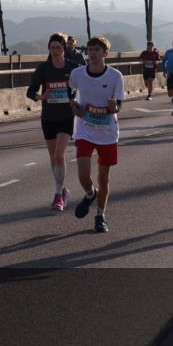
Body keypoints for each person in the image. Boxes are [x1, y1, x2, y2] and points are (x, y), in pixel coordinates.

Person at [69, 37, 125, 233]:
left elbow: (119, 104)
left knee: (104, 178)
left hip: (107, 132)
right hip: (84, 128)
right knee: (83, 175)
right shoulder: (77, 74)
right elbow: (71, 91)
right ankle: (90, 193)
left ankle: (100, 215)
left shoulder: (115, 76)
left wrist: (114, 107)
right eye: (90, 50)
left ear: (105, 54)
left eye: (97, 50)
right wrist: (74, 105)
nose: (92, 53)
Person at [27, 33, 81, 211]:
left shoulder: (74, 68)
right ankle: (63, 190)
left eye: (59, 47)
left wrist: (75, 99)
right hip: (49, 117)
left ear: (64, 48)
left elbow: (85, 85)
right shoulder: (44, 68)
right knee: (53, 157)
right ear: (49, 49)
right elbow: (30, 92)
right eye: (52, 48)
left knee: (59, 155)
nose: (56, 51)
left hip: (66, 116)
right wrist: (42, 96)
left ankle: (58, 195)